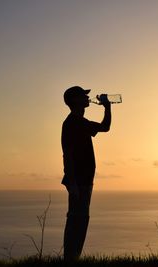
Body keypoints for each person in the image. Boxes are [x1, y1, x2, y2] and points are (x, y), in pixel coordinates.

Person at [61, 86, 111, 261]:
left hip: (82, 180)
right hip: (79, 181)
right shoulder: (74, 123)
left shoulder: (79, 122)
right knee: (77, 220)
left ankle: (72, 258)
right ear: (75, 100)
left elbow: (105, 127)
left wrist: (107, 107)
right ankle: (70, 258)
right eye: (83, 95)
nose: (87, 98)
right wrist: (72, 182)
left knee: (80, 219)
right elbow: (67, 154)